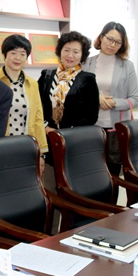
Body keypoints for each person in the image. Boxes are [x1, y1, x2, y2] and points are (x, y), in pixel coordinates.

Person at [37, 31, 99, 190]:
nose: (70, 55)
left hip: (73, 144)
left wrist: (65, 133)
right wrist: (46, 128)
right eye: (66, 50)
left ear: (82, 55)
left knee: (71, 188)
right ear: (60, 51)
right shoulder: (46, 76)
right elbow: (37, 107)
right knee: (49, 187)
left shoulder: (88, 79)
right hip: (48, 141)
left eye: (76, 51)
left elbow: (91, 116)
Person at [82, 22, 138, 175]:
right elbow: (78, 93)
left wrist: (113, 103)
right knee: (92, 172)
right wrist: (96, 98)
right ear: (101, 37)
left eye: (118, 42)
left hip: (116, 129)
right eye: (109, 39)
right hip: (91, 127)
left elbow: (135, 99)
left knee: (113, 173)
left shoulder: (127, 66)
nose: (112, 45)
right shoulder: (86, 63)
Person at [0, 34, 48, 167]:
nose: (18, 58)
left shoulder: (32, 84)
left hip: (26, 147)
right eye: (13, 53)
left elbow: (38, 118)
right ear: (4, 55)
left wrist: (41, 153)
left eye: (23, 54)